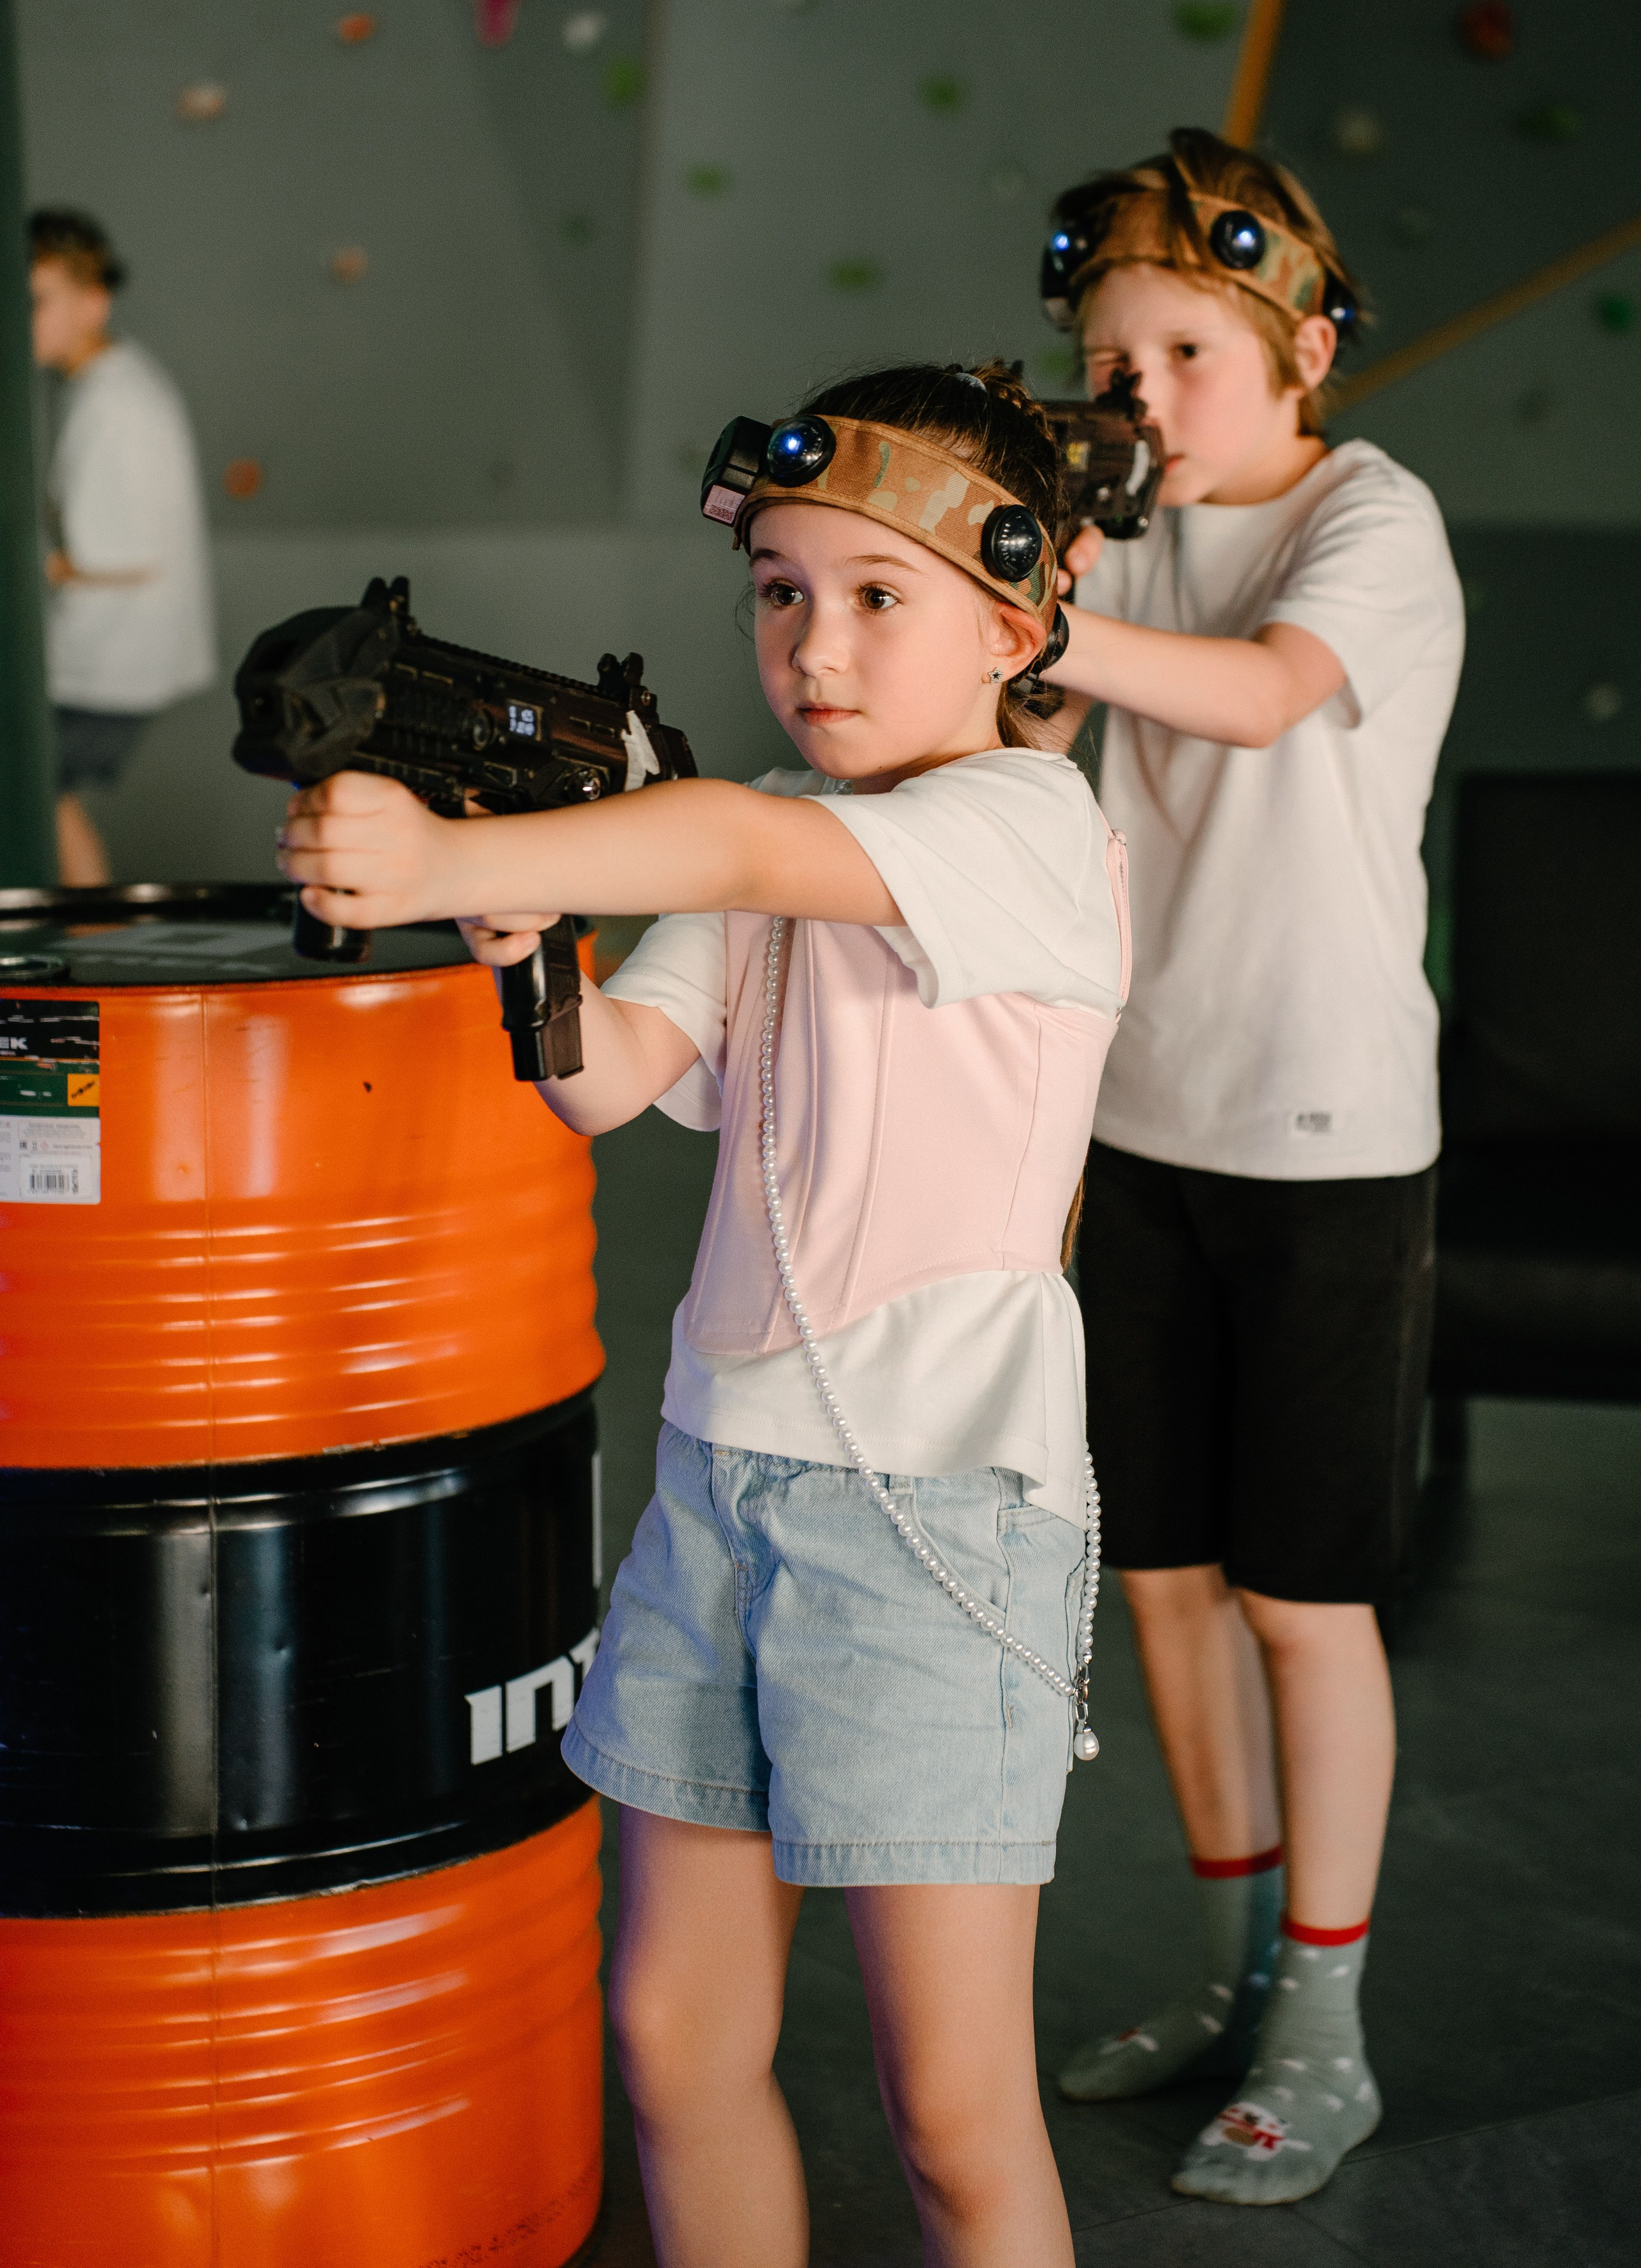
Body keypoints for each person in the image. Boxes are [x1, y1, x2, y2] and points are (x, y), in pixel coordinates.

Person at [277, 362, 1130, 2268]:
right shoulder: (764, 823)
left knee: (951, 2108)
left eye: (877, 594)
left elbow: (743, 851)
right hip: (717, 1488)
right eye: (779, 590)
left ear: (1013, 622)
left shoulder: (1019, 823)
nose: (815, 644)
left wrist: (462, 855)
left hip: (928, 1519)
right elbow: (607, 1077)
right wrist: (523, 941)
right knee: (672, 2039)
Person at [1038, 129, 1463, 2205]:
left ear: (1303, 346)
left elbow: (1271, 696)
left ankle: (1326, 2025)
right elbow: (1020, 754)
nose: (1142, 400)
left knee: (1305, 1601)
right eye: (1108, 365)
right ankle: (1226, 1973)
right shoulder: (1113, 540)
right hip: (1142, 1122)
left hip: (1326, 1141)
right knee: (1167, 1583)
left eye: (1186, 355)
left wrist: (1031, 613)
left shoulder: (1369, 516)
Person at [30, 208, 215, 886]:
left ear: (93, 302)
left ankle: (91, 936)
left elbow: (116, 552)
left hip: (108, 664)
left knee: (38, 793)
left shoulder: (115, 402)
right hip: (111, 659)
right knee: (47, 798)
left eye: (38, 301)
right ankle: (90, 933)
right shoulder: (111, 385)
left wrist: (39, 565)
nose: (24, 318)